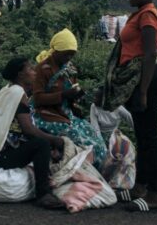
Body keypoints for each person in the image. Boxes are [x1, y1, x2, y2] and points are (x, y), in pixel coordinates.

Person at [101, 0, 157, 212]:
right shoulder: (140, 14)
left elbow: (150, 54)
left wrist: (142, 92)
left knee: (149, 138)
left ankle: (154, 195)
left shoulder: (148, 16)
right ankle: (139, 187)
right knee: (143, 135)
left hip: (146, 83)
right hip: (140, 82)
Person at [0, 57, 65, 208]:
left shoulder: (8, 90)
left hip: (1, 152)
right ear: (20, 75)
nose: (34, 71)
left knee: (43, 137)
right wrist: (54, 140)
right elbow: (28, 130)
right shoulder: (17, 93)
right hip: (3, 156)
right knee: (41, 144)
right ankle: (43, 194)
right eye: (30, 69)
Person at [32, 29, 107, 169]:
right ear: (56, 51)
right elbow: (37, 99)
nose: (69, 58)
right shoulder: (42, 69)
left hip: (66, 114)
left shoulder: (69, 69)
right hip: (47, 115)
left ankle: (96, 169)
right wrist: (63, 95)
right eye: (66, 54)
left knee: (96, 140)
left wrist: (74, 101)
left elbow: (71, 92)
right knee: (80, 141)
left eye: (72, 54)